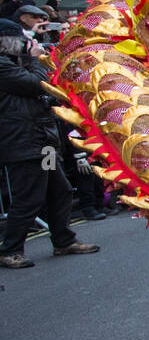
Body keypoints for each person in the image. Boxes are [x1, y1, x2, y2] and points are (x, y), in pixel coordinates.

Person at [0, 21, 100, 267]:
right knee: (29, 196)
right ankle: (10, 249)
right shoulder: (3, 66)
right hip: (21, 142)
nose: (26, 44)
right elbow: (38, 83)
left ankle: (63, 240)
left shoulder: (14, 62)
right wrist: (34, 59)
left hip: (40, 140)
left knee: (59, 190)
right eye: (20, 39)